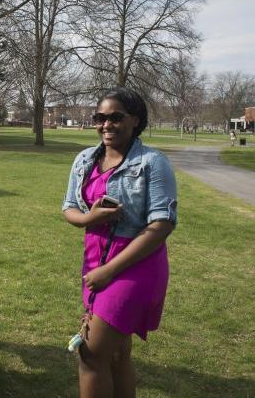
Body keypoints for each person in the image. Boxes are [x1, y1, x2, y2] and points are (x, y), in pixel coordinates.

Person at [62, 87, 177, 398]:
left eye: (116, 118)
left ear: (135, 120)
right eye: (100, 118)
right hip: (95, 258)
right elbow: (69, 208)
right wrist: (90, 219)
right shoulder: (85, 159)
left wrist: (110, 271)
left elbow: (162, 224)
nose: (106, 125)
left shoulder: (153, 162)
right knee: (116, 353)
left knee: (91, 353)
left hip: (136, 263)